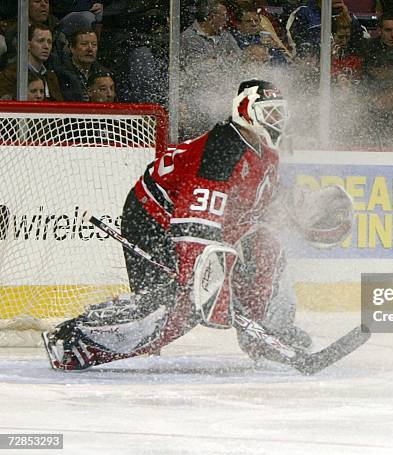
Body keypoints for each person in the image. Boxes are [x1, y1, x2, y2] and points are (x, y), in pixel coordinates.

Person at [42, 80, 354, 371]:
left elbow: (265, 204)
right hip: (155, 219)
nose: (276, 121)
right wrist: (202, 278)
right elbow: (195, 225)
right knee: (178, 309)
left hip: (209, 229)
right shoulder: (223, 149)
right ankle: (77, 341)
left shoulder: (265, 152)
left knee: (268, 247)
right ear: (246, 111)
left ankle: (268, 333)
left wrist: (308, 220)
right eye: (268, 112)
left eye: (280, 113)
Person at [0, 22, 62, 101]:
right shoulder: (9, 75)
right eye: (40, 41)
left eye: (49, 42)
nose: (46, 46)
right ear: (28, 44)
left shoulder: (51, 77)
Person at [55, 28, 104, 101]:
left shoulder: (104, 74)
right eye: (84, 44)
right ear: (72, 48)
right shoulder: (61, 75)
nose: (90, 49)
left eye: (94, 45)